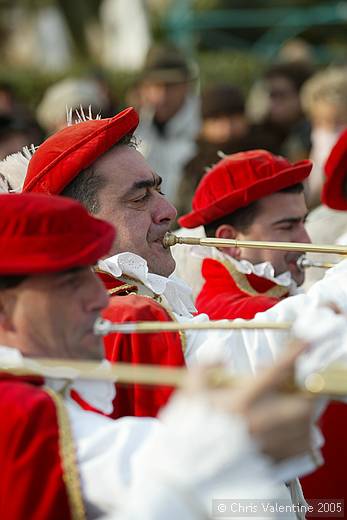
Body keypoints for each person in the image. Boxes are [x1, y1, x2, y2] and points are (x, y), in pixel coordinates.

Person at [0, 192, 315, 519]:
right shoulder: (20, 411)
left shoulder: (39, 396)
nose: (98, 297)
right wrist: (223, 445)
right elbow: (122, 465)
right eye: (70, 282)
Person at [178, 149, 312, 320]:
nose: (306, 240)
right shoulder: (237, 313)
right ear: (228, 241)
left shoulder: (277, 298)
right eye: (286, 227)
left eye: (304, 222)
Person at [134, 45, 201, 206]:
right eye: (155, 86)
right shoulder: (134, 129)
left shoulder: (206, 125)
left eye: (170, 86)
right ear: (143, 88)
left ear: (187, 86)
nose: (161, 95)